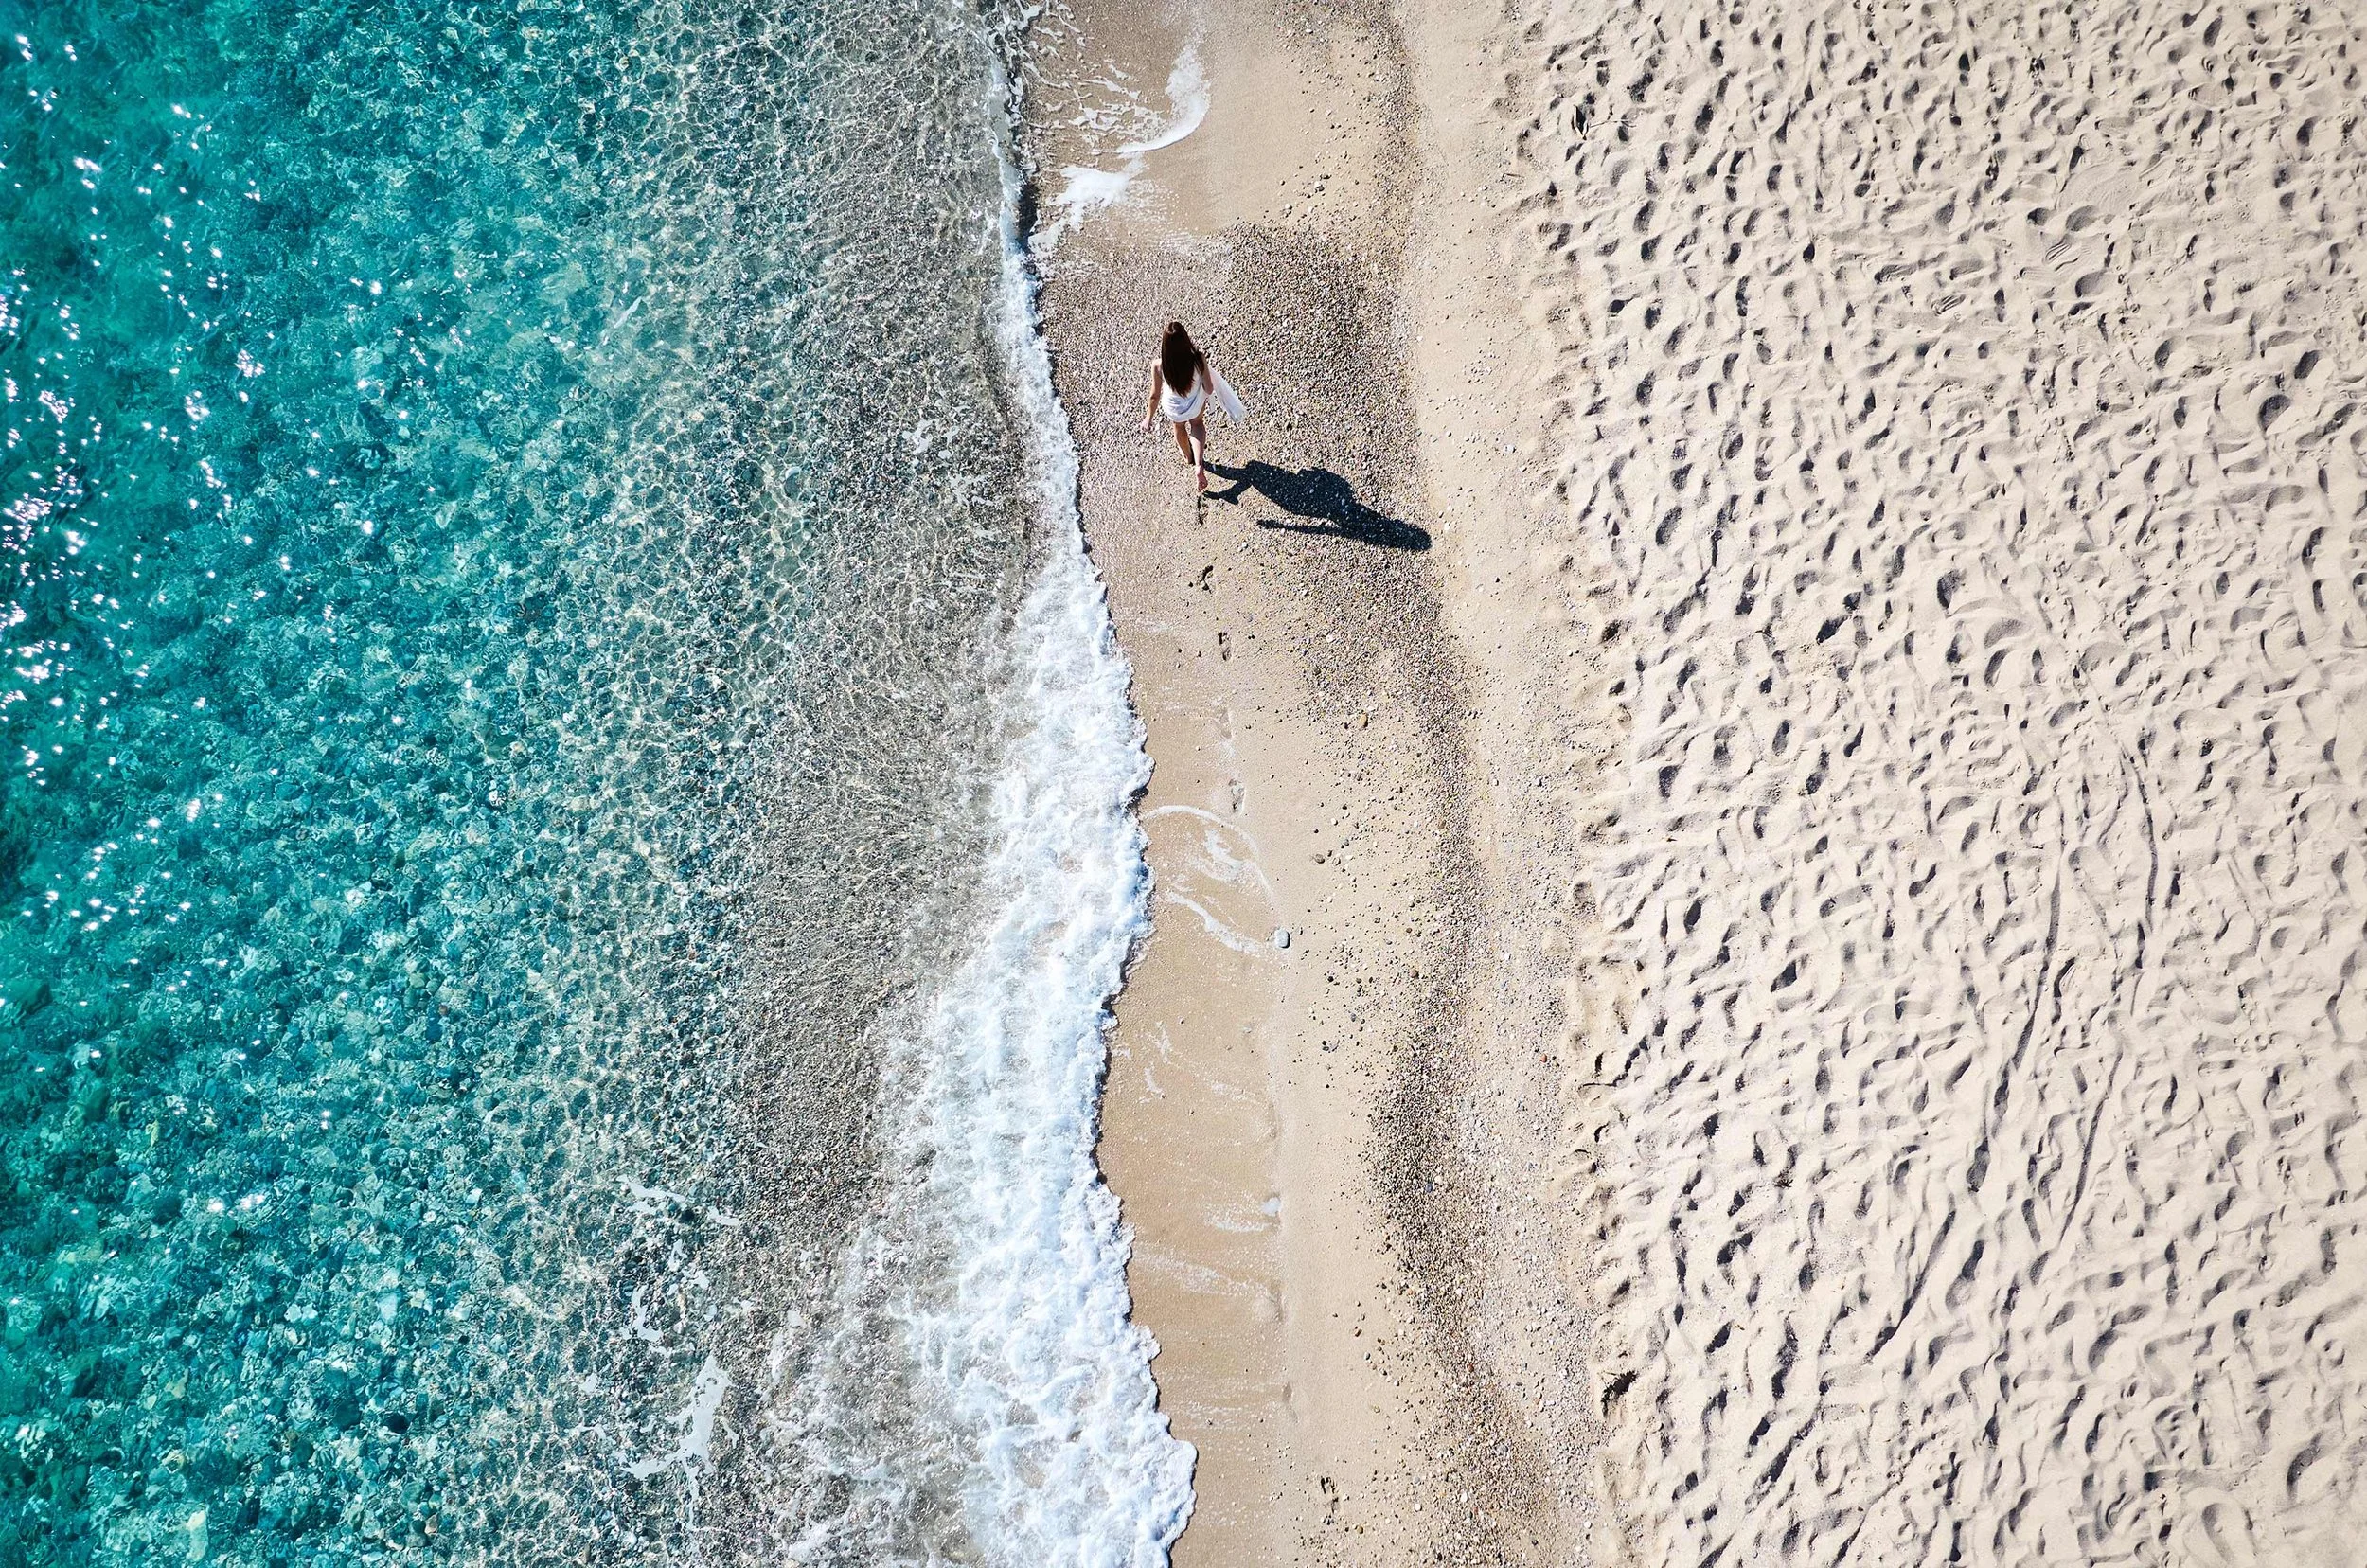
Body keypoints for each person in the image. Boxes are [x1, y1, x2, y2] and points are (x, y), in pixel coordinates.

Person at [1139, 321, 1242, 493]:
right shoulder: (1197, 359)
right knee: (1197, 424)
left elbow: (1154, 395)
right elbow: (1209, 388)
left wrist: (1148, 418)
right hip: (1194, 404)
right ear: (1186, 340)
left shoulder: (1158, 365)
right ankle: (1199, 464)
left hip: (1174, 408)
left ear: (1165, 345)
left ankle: (1188, 457)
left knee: (1178, 427)